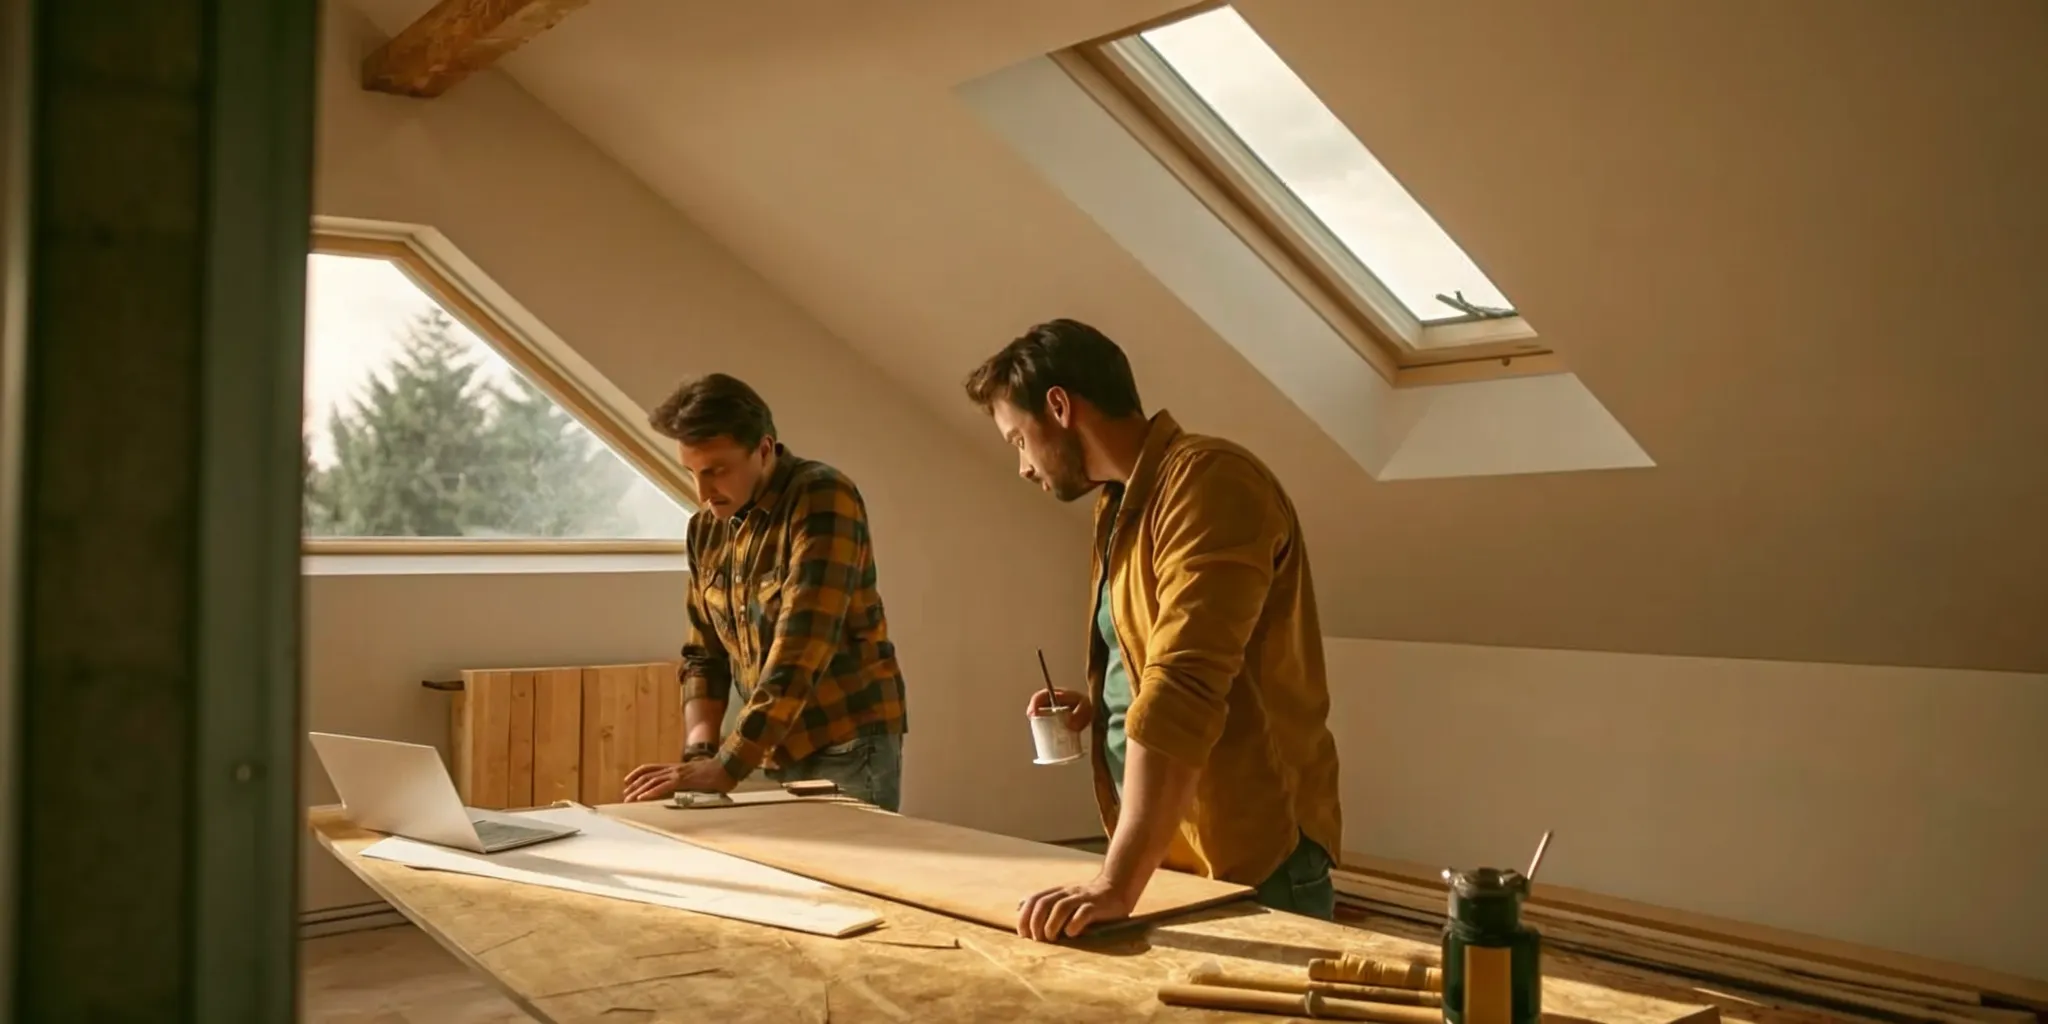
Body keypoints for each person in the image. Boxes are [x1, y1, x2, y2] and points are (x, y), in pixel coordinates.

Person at [963, 319, 1342, 942]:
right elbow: (1158, 658)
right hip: (1178, 853)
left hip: (1255, 856)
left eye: (1018, 440)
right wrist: (1105, 706)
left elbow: (1184, 686)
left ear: (1059, 406)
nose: (1023, 466)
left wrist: (1114, 883)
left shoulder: (1209, 481)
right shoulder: (1121, 503)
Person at [622, 373, 908, 810]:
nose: (703, 492)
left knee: (848, 858)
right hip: (765, 747)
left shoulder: (822, 496)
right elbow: (703, 656)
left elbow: (802, 648)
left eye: (717, 471)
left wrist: (726, 765)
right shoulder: (705, 529)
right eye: (692, 473)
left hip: (845, 743)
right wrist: (700, 754)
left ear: (764, 449)